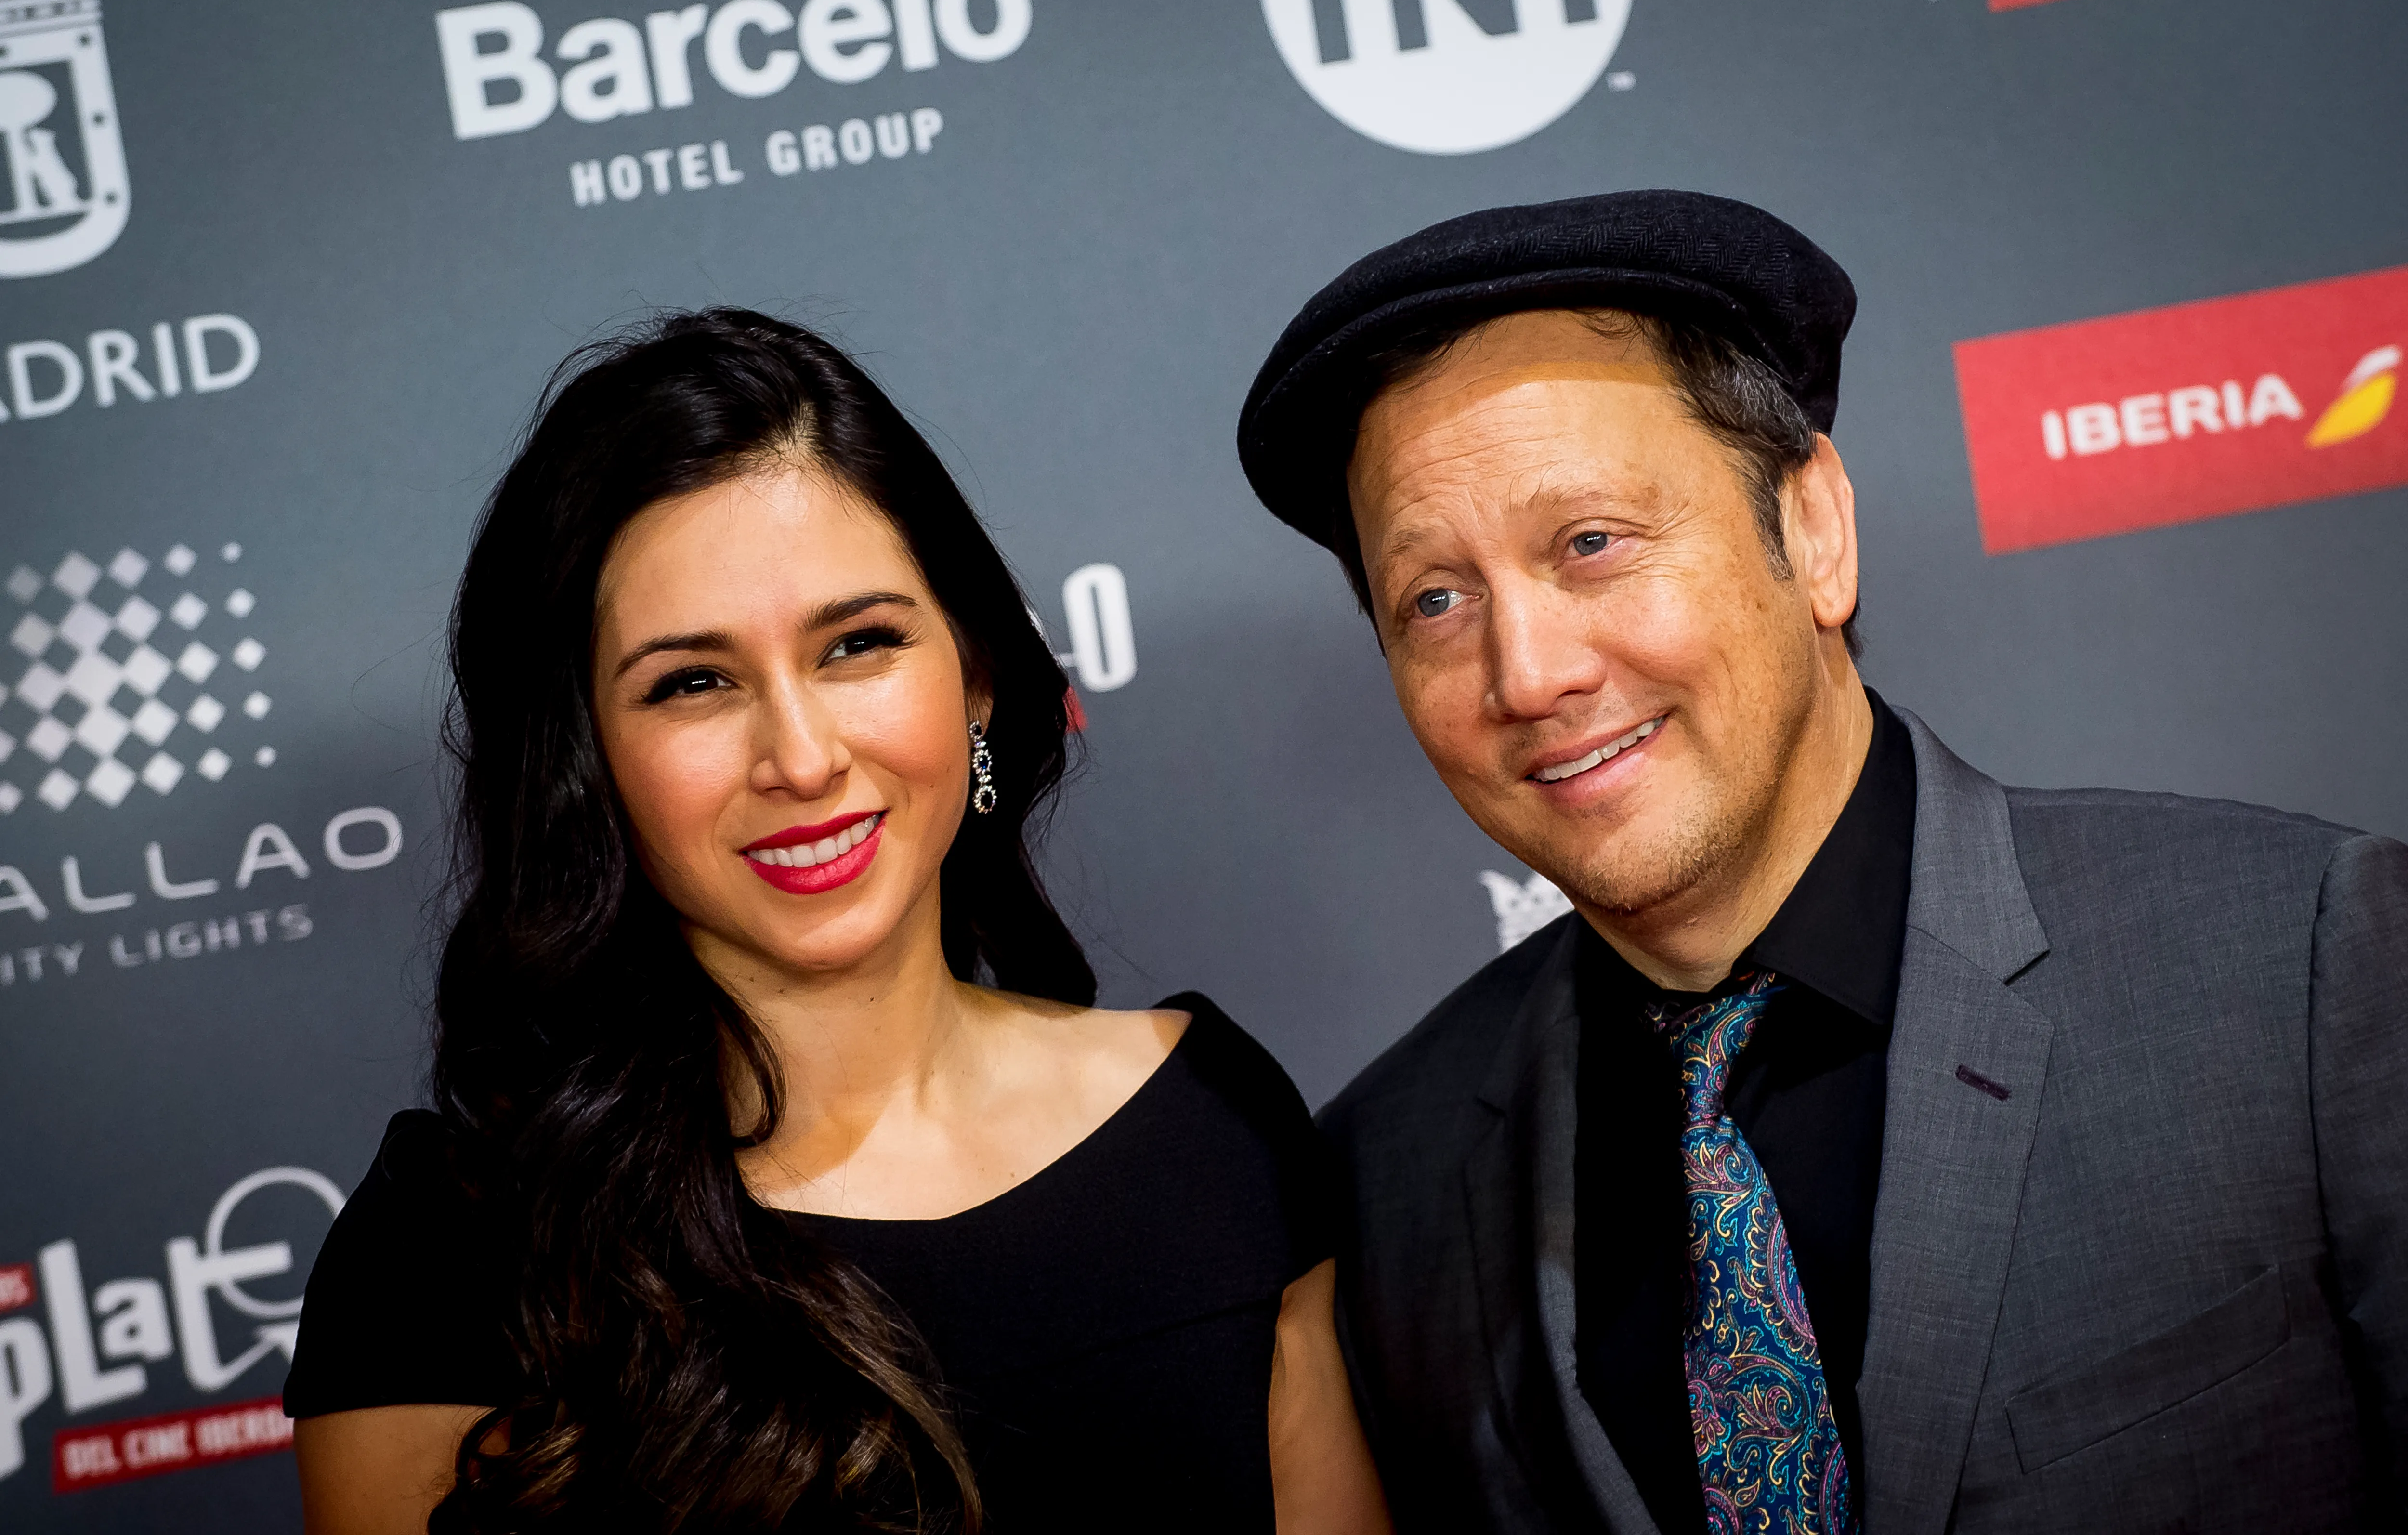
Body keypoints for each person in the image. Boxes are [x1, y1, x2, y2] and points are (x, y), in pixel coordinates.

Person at [1233, 191, 2408, 1534]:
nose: (1529, 674)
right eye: (1436, 600)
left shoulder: (2300, 964)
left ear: (1817, 530)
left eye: (1594, 545)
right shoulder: (1382, 1182)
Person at [285, 309, 1391, 1535]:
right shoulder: (456, 1251)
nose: (802, 758)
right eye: (692, 683)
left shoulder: (1209, 1124)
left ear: (975, 673)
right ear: (583, 760)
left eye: (858, 644)